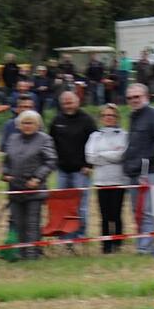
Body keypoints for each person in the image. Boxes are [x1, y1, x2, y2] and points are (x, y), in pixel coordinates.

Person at [1, 110, 56, 261]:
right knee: (19, 224)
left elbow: (50, 161)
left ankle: (32, 256)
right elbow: (6, 161)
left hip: (34, 190)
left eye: (30, 123)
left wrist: (37, 178)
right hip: (15, 189)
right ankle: (22, 253)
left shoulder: (45, 139)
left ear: (38, 125)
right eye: (24, 123)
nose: (27, 126)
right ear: (19, 125)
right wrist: (5, 173)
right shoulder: (13, 138)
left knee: (32, 224)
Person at [121, 83, 154, 253]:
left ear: (146, 97)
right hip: (132, 169)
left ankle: (146, 248)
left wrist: (145, 162)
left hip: (149, 171)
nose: (133, 100)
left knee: (147, 209)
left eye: (137, 97)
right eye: (130, 98)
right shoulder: (133, 116)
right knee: (137, 210)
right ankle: (142, 243)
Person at [48, 91, 97, 238]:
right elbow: (50, 143)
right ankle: (64, 236)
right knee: (62, 205)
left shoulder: (87, 120)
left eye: (70, 102)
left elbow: (95, 143)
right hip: (62, 171)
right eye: (65, 103)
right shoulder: (56, 121)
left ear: (77, 102)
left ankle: (80, 235)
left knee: (80, 206)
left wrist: (89, 165)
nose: (68, 106)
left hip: (81, 171)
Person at [84, 104, 128, 253]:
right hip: (101, 181)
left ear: (117, 117)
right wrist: (110, 154)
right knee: (104, 215)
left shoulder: (123, 135)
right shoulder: (95, 136)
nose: (109, 118)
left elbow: (121, 155)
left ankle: (118, 243)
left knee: (116, 213)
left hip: (118, 180)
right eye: (105, 115)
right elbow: (90, 157)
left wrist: (101, 154)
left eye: (112, 115)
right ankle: (106, 245)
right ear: (101, 118)